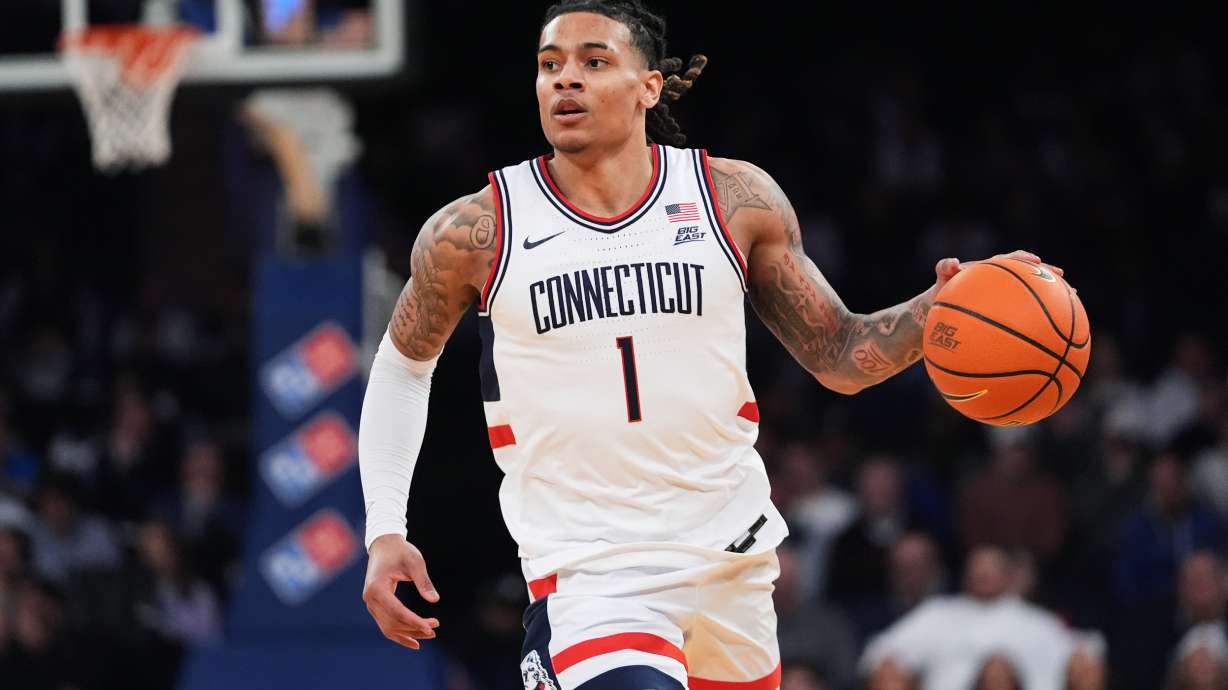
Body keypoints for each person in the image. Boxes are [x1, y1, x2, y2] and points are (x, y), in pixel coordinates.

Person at [357, 2, 1059, 687]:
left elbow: (840, 354)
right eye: (550, 65)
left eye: (593, 62)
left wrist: (938, 310)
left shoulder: (732, 200)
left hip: (731, 565)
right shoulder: (477, 231)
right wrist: (385, 528)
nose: (564, 79)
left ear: (648, 86)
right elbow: (401, 367)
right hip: (593, 576)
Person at [861, 546, 1105, 690]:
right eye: (977, 570)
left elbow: (1085, 648)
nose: (983, 575)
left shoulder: (1035, 620)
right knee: (888, 671)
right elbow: (882, 650)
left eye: (991, 570)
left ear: (1008, 576)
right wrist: (888, 665)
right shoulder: (939, 613)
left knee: (997, 670)